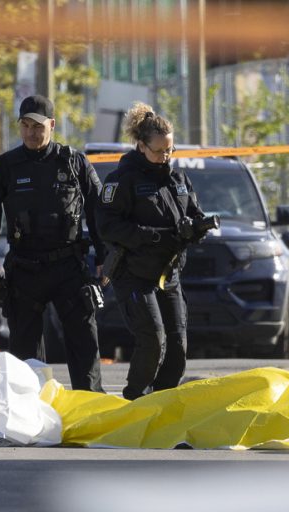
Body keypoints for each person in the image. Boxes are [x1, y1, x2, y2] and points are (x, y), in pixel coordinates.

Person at [0, 94, 105, 392]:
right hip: (25, 267)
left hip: (69, 266)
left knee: (84, 340)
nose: (32, 133)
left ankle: (90, 406)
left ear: (52, 125)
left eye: (38, 126)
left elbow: (98, 212)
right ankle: (32, 410)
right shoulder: (6, 166)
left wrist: (104, 256)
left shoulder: (74, 163)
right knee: (25, 350)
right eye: (25, 125)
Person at [95, 102, 206, 401]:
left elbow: (194, 214)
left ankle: (163, 401)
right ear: (141, 146)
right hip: (134, 275)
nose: (165, 156)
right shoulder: (122, 180)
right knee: (153, 340)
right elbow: (107, 226)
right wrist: (150, 237)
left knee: (177, 344)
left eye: (170, 150)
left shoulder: (177, 180)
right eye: (159, 151)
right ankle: (136, 399)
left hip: (168, 276)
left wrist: (195, 228)